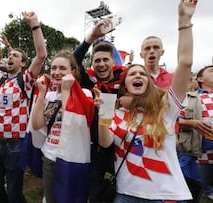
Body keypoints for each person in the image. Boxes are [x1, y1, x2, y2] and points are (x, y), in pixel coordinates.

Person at [97, 0, 196, 202]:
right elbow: (105, 142)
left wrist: (184, 20)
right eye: (132, 74)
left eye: (141, 73)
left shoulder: (166, 107)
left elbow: (185, 63)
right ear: (125, 84)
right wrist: (103, 113)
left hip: (167, 195)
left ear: (149, 83)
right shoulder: (117, 113)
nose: (137, 76)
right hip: (126, 195)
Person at [0, 11, 46, 202]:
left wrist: (34, 24)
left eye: (15, 56)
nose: (10, 57)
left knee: (15, 193)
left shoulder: (26, 79)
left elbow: (41, 55)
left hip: (16, 146)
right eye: (9, 55)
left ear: (23, 63)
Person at [73, 19, 126, 202]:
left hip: (121, 149)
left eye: (105, 59)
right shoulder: (89, 80)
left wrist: (118, 103)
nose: (101, 64)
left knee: (123, 192)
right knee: (93, 194)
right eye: (97, 61)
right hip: (95, 150)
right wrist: (90, 38)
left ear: (113, 62)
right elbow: (73, 61)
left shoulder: (126, 81)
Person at [31, 50, 94, 203]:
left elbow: (70, 125)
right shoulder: (49, 96)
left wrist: (66, 91)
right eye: (53, 68)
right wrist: (41, 94)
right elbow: (36, 124)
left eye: (62, 68)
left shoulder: (84, 94)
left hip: (71, 159)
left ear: (72, 71)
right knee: (51, 198)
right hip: (49, 157)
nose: (57, 72)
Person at [178, 65, 213, 201]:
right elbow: (173, 120)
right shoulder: (189, 98)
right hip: (199, 158)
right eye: (211, 71)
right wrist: (192, 123)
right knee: (192, 195)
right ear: (199, 79)